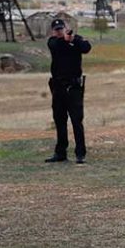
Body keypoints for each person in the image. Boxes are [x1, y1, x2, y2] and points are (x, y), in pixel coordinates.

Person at [44, 18, 92, 164]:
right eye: (56, 30)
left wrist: (73, 40)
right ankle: (60, 153)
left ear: (65, 29)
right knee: (60, 120)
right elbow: (57, 46)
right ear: (53, 31)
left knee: (77, 120)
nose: (59, 31)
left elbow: (86, 48)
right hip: (58, 87)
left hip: (74, 88)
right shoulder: (53, 42)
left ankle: (80, 153)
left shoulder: (76, 40)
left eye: (61, 29)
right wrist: (66, 40)